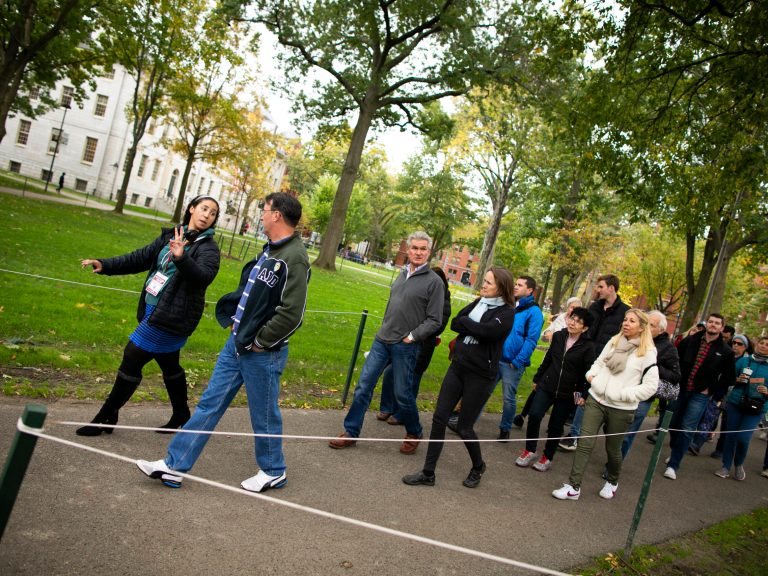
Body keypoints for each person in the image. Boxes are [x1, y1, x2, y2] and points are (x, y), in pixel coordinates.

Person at [136, 192, 310, 492]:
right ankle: (174, 466)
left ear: (277, 215)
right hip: (237, 343)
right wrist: (235, 318)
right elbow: (252, 291)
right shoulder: (270, 249)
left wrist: (260, 341)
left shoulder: (294, 257)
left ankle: (273, 470)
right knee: (209, 404)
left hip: (261, 352)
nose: (261, 214)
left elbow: (292, 314)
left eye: (265, 210)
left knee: (264, 414)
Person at [76, 195, 221, 436]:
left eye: (213, 213)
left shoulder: (208, 248)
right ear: (191, 209)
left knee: (132, 356)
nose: (207, 215)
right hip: (152, 309)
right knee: (168, 362)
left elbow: (203, 277)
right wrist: (105, 264)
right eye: (204, 208)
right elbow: (140, 258)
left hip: (171, 317)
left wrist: (181, 257)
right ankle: (181, 413)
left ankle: (105, 417)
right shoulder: (171, 235)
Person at [329, 231, 444, 454]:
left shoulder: (434, 282)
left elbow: (435, 320)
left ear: (429, 252)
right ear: (408, 250)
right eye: (414, 248)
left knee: (402, 394)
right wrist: (384, 328)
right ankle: (351, 432)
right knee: (363, 387)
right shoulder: (401, 274)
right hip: (382, 341)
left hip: (405, 346)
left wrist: (412, 337)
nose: (418, 252)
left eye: (423, 249)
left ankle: (414, 431)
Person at [402, 268, 515, 488]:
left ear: (501, 288)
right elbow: (455, 322)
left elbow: (488, 332)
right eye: (484, 280)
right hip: (458, 367)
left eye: (489, 282)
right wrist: (474, 327)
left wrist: (469, 325)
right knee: (439, 419)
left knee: (464, 427)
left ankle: (478, 466)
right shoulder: (479, 302)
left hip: (481, 375)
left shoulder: (507, 313)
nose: (483, 285)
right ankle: (428, 473)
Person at [552, 309, 658, 501]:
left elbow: (651, 386)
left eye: (632, 321)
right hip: (596, 400)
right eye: (625, 319)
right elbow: (599, 363)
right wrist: (592, 377)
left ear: (642, 327)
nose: (626, 323)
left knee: (613, 449)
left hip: (621, 408)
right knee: (585, 443)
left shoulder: (648, 352)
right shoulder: (614, 341)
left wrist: (624, 394)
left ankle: (612, 480)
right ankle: (573, 487)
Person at [515, 307, 595, 472]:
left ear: (585, 328)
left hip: (568, 392)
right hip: (547, 384)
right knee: (534, 415)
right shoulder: (559, 336)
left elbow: (589, 373)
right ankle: (530, 449)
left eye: (578, 321)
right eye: (572, 318)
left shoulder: (588, 347)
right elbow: (549, 359)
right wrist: (538, 379)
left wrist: (584, 393)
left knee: (555, 426)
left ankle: (547, 456)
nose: (573, 323)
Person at [559, 274, 630, 451]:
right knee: (576, 390)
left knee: (588, 395)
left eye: (601, 287)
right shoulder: (594, 307)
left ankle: (574, 435)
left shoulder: (624, 312)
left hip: (603, 363)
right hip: (584, 356)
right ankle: (562, 423)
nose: (597, 290)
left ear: (611, 288)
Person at [663, 313, 735, 481]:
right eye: (711, 321)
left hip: (700, 395)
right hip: (680, 390)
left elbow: (729, 378)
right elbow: (675, 361)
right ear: (706, 323)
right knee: (673, 424)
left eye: (717, 323)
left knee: (687, 428)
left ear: (722, 328)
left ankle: (673, 464)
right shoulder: (690, 340)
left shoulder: (726, 351)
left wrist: (712, 390)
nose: (713, 325)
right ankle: (676, 449)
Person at [378, 267, 451, 425]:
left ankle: (402, 414)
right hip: (403, 342)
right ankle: (387, 407)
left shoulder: (443, 302)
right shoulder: (419, 293)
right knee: (390, 373)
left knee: (411, 380)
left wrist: (417, 328)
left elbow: (437, 325)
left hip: (422, 347)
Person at [512, 296, 582, 430]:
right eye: (571, 307)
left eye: (576, 308)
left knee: (557, 395)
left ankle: (554, 424)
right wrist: (549, 332)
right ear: (568, 308)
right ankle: (523, 415)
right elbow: (545, 334)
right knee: (538, 388)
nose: (573, 310)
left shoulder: (580, 325)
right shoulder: (561, 318)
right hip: (552, 360)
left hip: (567, 366)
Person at [621, 310, 680, 458]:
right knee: (613, 430)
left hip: (643, 397)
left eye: (652, 325)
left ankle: (615, 464)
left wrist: (652, 366)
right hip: (621, 389)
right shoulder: (633, 338)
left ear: (661, 330)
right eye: (646, 323)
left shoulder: (668, 348)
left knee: (627, 434)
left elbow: (675, 376)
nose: (647, 327)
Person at [495, 276, 544, 441]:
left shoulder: (534, 313)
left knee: (508, 398)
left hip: (512, 364)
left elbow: (531, 340)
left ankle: (505, 429)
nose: (515, 287)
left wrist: (517, 361)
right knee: (482, 391)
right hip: (496, 357)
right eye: (515, 284)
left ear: (529, 290)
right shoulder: (510, 304)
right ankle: (466, 422)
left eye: (520, 285)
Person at [715, 336, 768, 481]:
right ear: (757, 344)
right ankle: (725, 466)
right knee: (731, 436)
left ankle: (739, 464)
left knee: (743, 439)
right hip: (736, 403)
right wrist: (737, 380)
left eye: (767, 345)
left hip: (757, 407)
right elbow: (729, 378)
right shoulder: (744, 361)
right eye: (762, 343)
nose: (763, 346)